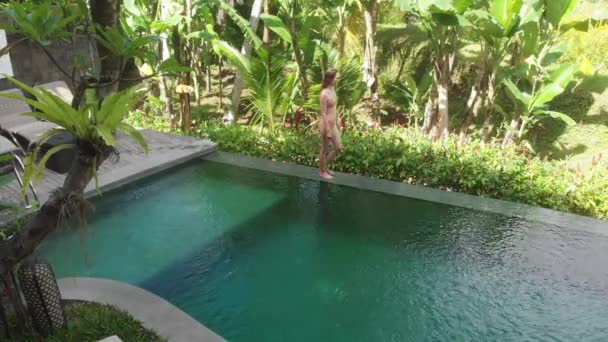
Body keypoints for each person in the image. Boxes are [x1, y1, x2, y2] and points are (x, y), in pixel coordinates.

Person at [319, 69, 342, 179]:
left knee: (338, 147)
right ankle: (322, 171)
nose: (336, 79)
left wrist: (337, 123)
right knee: (325, 149)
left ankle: (326, 167)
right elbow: (323, 113)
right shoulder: (324, 94)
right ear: (330, 79)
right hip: (326, 124)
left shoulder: (333, 89)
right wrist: (327, 129)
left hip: (333, 124)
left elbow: (334, 109)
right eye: (335, 77)